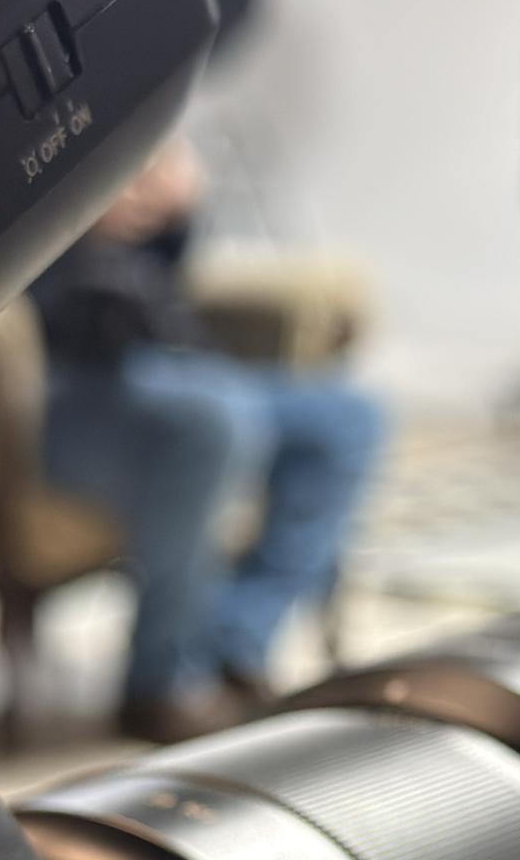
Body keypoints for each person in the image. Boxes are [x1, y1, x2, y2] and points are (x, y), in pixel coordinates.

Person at [31, 135, 384, 745]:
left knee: (346, 418)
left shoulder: (130, 100)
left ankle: (237, 640)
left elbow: (163, 277)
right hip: (63, 381)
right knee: (214, 419)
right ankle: (160, 683)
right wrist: (70, 216)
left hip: (167, 359)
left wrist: (176, 207)